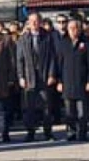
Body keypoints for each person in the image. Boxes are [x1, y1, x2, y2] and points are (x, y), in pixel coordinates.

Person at [16, 13, 58, 142]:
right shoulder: (23, 38)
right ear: (28, 23)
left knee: (46, 106)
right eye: (31, 21)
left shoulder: (48, 37)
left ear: (40, 22)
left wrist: (52, 74)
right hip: (29, 77)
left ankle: (47, 132)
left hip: (44, 76)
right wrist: (21, 77)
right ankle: (30, 132)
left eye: (36, 21)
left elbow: (53, 57)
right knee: (29, 107)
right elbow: (20, 60)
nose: (34, 23)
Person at [56, 19, 89, 140]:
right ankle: (71, 132)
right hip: (67, 82)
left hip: (82, 82)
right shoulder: (63, 43)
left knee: (82, 113)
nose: (73, 31)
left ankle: (82, 133)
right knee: (70, 113)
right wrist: (59, 81)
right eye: (71, 28)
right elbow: (59, 64)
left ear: (79, 29)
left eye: (76, 28)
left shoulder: (86, 42)